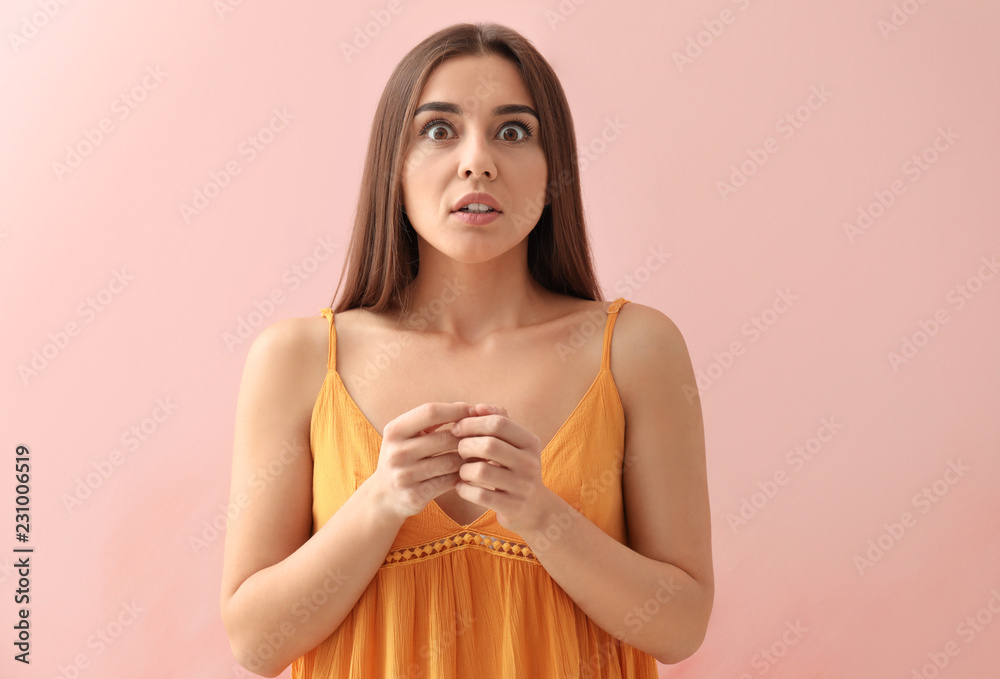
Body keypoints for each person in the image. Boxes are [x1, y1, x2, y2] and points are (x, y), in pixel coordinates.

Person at [220, 21, 713, 678]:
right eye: (438, 130)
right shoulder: (299, 359)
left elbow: (680, 626)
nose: (477, 160)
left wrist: (541, 514)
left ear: (553, 166)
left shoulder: (636, 350)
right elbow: (255, 643)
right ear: (393, 166)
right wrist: (380, 500)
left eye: (513, 131)